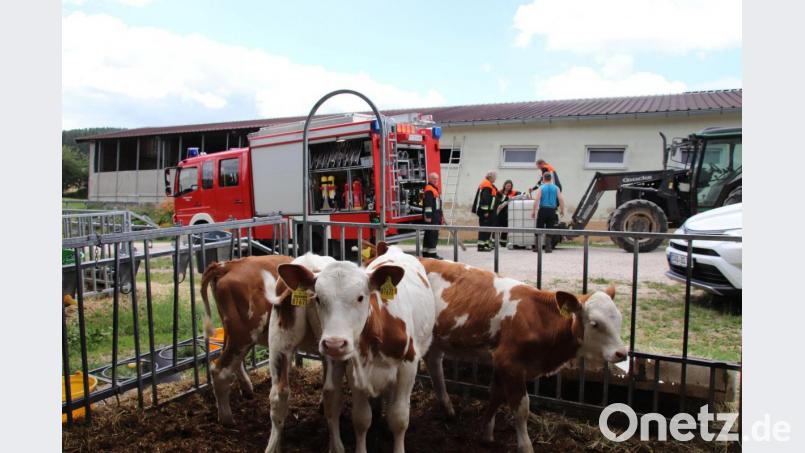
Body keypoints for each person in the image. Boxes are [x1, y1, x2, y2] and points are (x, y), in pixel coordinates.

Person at [530, 172, 564, 253]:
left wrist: (533, 210)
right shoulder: (556, 188)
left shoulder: (541, 187)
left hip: (543, 210)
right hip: (552, 211)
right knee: (550, 228)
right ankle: (548, 248)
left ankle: (537, 247)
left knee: (539, 228)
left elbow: (537, 199)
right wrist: (562, 210)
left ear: (543, 178)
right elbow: (561, 199)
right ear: (551, 179)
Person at [472, 171, 498, 252]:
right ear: (490, 177)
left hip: (489, 211)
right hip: (485, 211)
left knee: (488, 228)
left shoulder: (489, 185)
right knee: (484, 227)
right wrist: (486, 211)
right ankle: (481, 246)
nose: (495, 179)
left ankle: (485, 244)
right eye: (494, 177)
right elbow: (485, 199)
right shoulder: (487, 185)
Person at [422, 172, 444, 259]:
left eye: (437, 179)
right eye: (434, 179)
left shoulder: (433, 189)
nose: (436, 180)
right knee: (432, 235)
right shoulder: (429, 189)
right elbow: (428, 205)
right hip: (432, 217)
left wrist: (441, 215)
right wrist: (428, 216)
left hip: (435, 216)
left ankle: (427, 253)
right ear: (429, 179)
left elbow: (437, 205)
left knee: (430, 235)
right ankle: (432, 254)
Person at [495, 180, 519, 248]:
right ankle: (495, 242)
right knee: (496, 228)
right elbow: (497, 202)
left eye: (510, 186)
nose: (508, 187)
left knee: (505, 228)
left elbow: (519, 194)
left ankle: (503, 243)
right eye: (507, 185)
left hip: (507, 214)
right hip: (499, 213)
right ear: (504, 185)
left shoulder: (513, 193)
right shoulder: (499, 192)